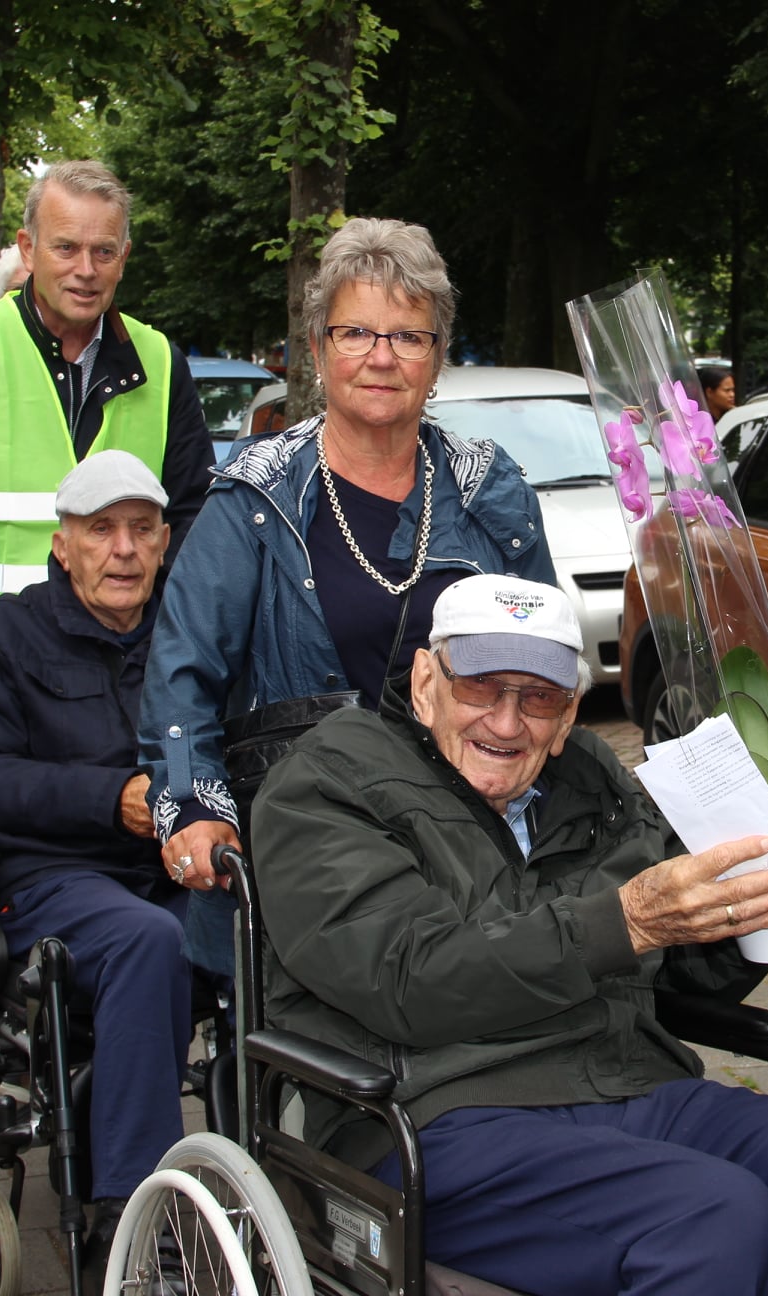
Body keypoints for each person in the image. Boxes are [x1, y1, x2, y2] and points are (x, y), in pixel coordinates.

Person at [249, 574, 768, 1295]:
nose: (507, 722)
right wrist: (626, 920)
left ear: (570, 712)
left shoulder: (594, 780)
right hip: (437, 1114)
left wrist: (758, 909)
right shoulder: (331, 783)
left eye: (539, 697)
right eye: (481, 687)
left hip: (624, 1084)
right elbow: (410, 977)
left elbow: (667, 973)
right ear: (426, 679)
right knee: (710, 1214)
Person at [139, 216, 553, 981]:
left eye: (409, 336)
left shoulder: (487, 487)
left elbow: (545, 659)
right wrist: (195, 810)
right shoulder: (256, 496)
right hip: (311, 845)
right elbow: (181, 675)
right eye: (356, 332)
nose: (382, 358)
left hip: (470, 843)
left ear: (438, 357)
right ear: (319, 347)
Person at [0, 451, 189, 1284]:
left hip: (174, 867)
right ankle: (126, 1212)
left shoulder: (189, 636)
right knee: (147, 941)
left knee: (275, 922)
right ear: (62, 544)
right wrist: (106, 797)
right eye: (101, 531)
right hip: (47, 879)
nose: (123, 550)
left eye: (140, 531)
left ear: (164, 542)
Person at [0, 159, 210, 701]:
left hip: (120, 664)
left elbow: (191, 514)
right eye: (66, 248)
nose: (86, 269)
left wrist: (168, 639)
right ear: (28, 250)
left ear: (123, 258)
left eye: (104, 251)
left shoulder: (161, 362)